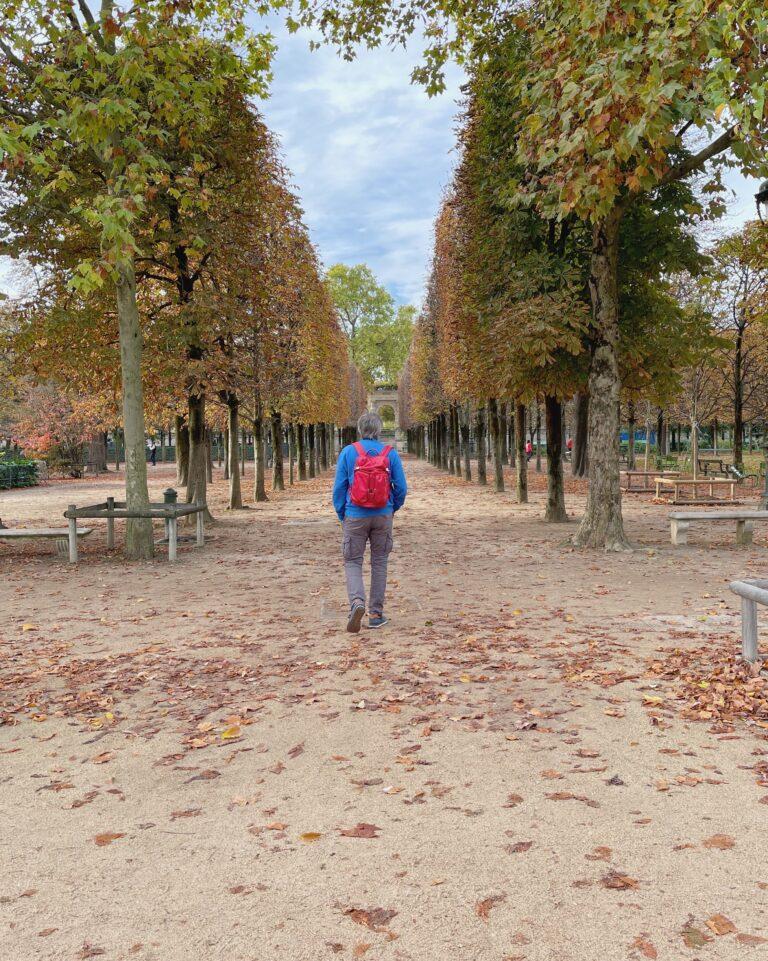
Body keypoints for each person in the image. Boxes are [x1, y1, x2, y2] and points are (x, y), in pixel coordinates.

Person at [333, 411, 407, 632]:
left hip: (354, 514)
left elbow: (339, 489)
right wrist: (392, 508)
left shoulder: (348, 452)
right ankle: (376, 614)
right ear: (379, 429)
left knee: (353, 561)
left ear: (359, 429)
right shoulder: (390, 454)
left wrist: (342, 514)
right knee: (380, 562)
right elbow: (402, 488)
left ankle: (357, 603)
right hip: (383, 514)